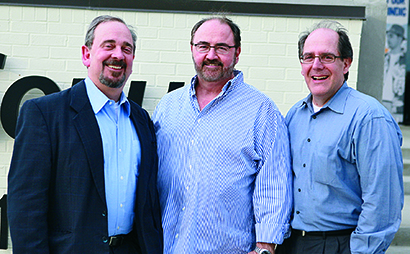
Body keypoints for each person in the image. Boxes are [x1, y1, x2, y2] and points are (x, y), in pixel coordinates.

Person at [7, 15, 163, 254]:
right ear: (86, 54)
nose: (118, 55)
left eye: (127, 48)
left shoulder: (141, 120)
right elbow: (26, 207)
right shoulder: (45, 114)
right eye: (108, 45)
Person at [152, 16, 293, 254]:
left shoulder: (262, 111)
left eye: (221, 48)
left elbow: (274, 186)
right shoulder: (168, 106)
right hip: (165, 247)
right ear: (192, 49)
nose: (211, 55)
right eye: (203, 46)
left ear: (237, 53)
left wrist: (265, 248)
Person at [276, 20, 404, 254]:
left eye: (327, 57)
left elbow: (382, 203)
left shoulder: (369, 118)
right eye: (308, 57)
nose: (316, 65)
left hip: (340, 245)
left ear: (346, 64)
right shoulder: (294, 115)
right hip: (292, 243)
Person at [383, 24, 406, 122]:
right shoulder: (384, 57)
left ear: (400, 38)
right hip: (381, 98)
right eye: (388, 36)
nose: (388, 39)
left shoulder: (404, 60)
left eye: (391, 36)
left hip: (395, 103)